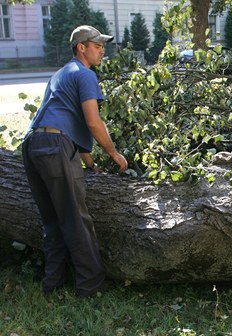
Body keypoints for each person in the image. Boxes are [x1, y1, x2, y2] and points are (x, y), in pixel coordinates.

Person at [21, 25, 128, 298]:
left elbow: (67, 125)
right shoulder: (86, 74)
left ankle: (51, 284)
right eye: (97, 45)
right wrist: (114, 154)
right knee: (76, 220)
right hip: (55, 148)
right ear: (82, 47)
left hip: (33, 145)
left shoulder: (61, 74)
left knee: (52, 220)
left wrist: (90, 164)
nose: (102, 50)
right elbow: (92, 122)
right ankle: (89, 288)